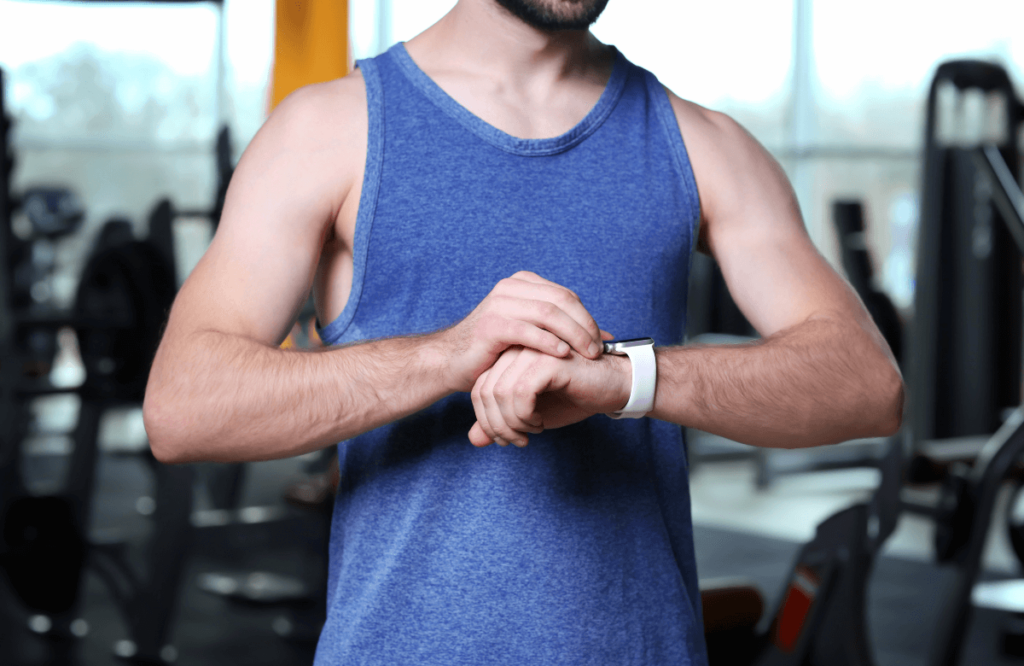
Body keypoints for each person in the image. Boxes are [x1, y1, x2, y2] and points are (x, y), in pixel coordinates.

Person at [143, 0, 905, 663]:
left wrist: (624, 380)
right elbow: (183, 406)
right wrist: (450, 355)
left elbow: (866, 386)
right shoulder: (330, 131)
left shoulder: (701, 143)